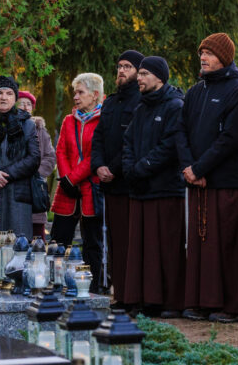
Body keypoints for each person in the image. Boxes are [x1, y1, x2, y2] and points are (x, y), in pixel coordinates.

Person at [176, 33, 238, 323]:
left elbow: (231, 139)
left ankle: (232, 305)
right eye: (202, 52)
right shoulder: (196, 91)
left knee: (226, 244)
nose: (203, 57)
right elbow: (181, 131)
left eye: (209, 53)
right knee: (200, 245)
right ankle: (200, 301)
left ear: (224, 57)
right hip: (196, 181)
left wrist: (199, 169)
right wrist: (188, 167)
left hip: (224, 181)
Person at [122, 56, 186, 319]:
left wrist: (141, 167)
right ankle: (144, 299)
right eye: (140, 74)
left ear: (160, 77)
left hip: (165, 189)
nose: (139, 78)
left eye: (145, 74)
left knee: (166, 249)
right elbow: (128, 141)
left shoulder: (175, 106)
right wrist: (129, 168)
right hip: (140, 189)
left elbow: (170, 146)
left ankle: (170, 301)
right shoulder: (141, 107)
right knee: (142, 249)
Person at [91, 50, 144, 307]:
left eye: (128, 67)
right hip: (109, 185)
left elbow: (132, 142)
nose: (121, 71)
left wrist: (112, 168)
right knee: (115, 245)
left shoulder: (142, 101)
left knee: (131, 243)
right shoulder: (110, 102)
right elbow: (99, 137)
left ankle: (133, 296)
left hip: (129, 184)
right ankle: (119, 294)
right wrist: (99, 165)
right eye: (119, 66)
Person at [51, 73, 104, 293]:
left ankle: (91, 287)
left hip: (91, 187)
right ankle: (54, 283)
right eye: (75, 92)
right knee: (58, 239)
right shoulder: (68, 120)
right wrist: (65, 179)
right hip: (67, 190)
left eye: (80, 92)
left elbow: (96, 155)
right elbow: (61, 150)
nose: (75, 96)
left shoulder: (103, 120)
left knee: (92, 241)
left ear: (94, 95)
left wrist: (73, 178)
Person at [0, 76, 40, 237]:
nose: (4, 97)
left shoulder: (26, 123)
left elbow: (34, 158)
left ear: (15, 97)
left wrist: (5, 174)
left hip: (18, 193)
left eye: (9, 93)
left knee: (18, 246)